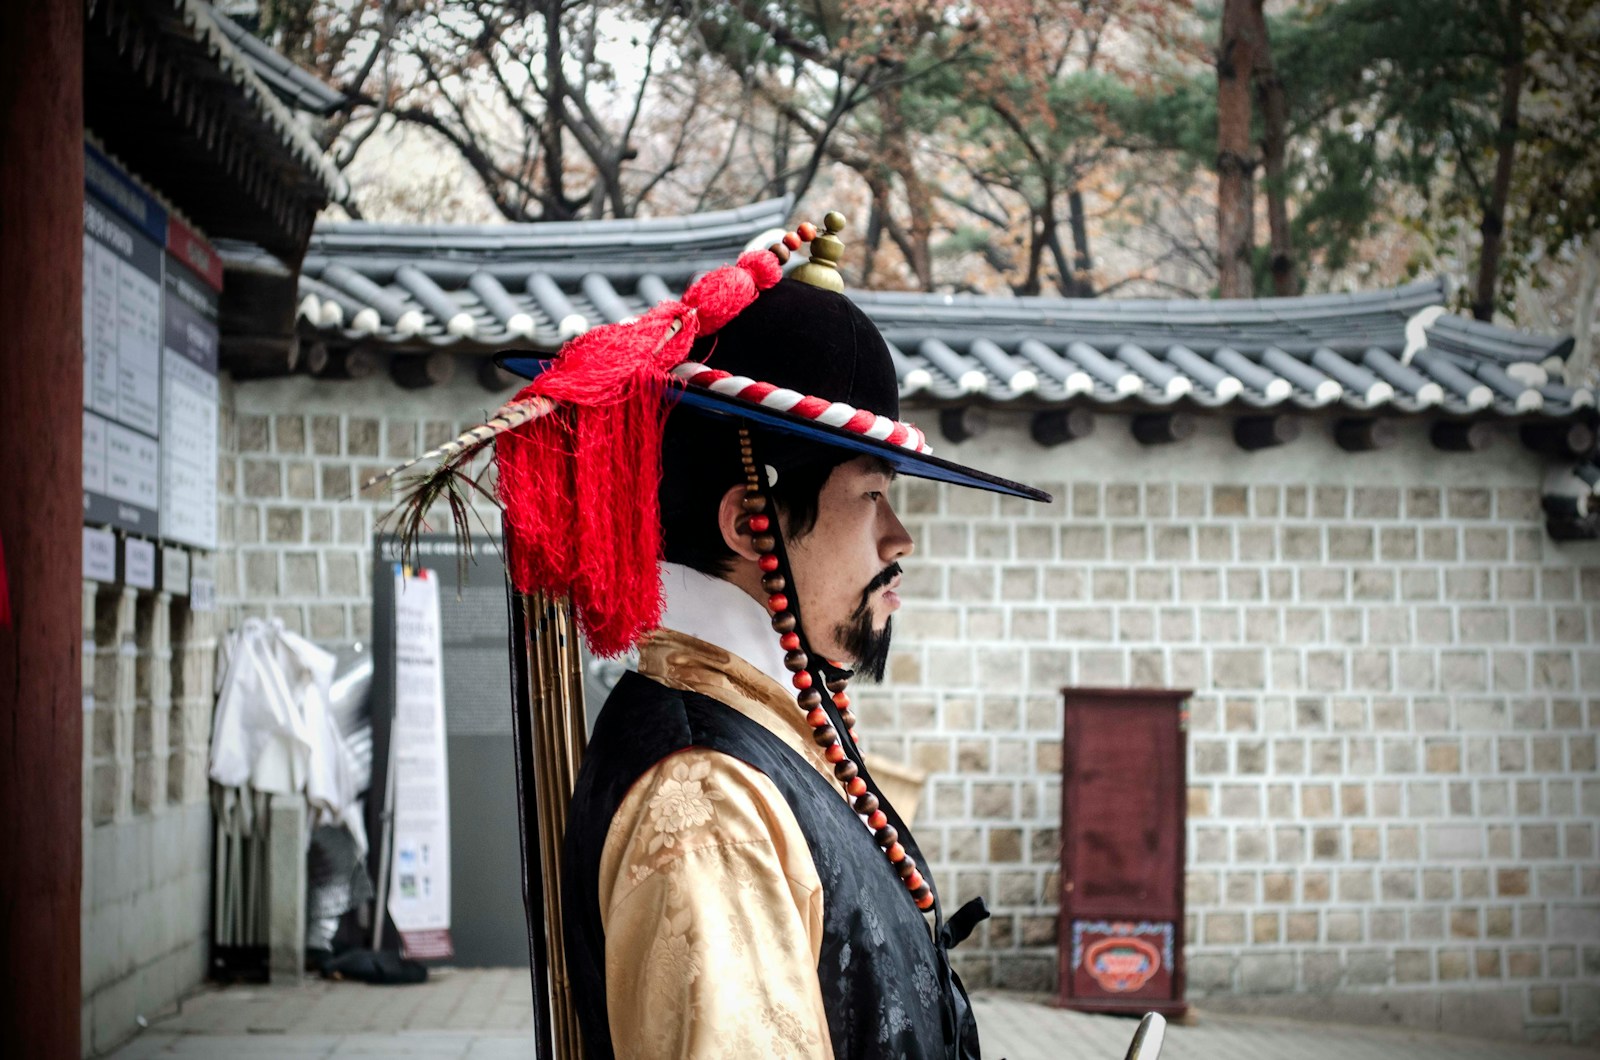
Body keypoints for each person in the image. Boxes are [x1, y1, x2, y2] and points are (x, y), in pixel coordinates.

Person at [483, 214, 1048, 1058]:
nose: (901, 540)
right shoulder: (707, 800)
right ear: (754, 524)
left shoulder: (754, 732)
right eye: (871, 498)